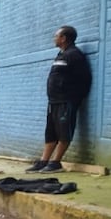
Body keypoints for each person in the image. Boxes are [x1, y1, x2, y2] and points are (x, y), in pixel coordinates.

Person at [26, 25, 92, 173]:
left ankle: (55, 163)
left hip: (66, 101)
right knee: (51, 132)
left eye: (56, 36)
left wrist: (74, 97)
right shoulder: (61, 54)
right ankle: (44, 161)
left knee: (64, 131)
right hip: (54, 101)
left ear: (63, 38)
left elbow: (84, 79)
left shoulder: (74, 55)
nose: (54, 38)